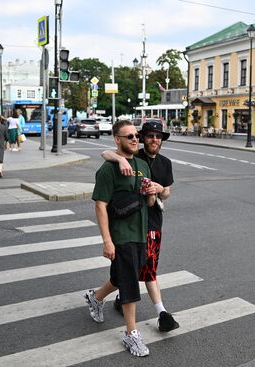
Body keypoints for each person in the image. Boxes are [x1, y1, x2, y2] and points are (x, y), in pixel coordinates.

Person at [84, 120, 156, 358]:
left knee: (123, 275)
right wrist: (107, 240)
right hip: (122, 236)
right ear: (117, 139)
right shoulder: (108, 169)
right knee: (129, 283)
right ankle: (131, 334)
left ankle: (95, 298)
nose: (136, 139)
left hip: (140, 233)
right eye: (129, 136)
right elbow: (100, 206)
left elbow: (150, 204)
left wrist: (151, 194)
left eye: (137, 135)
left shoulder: (144, 165)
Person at [101, 120, 179, 333]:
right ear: (143, 137)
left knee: (141, 269)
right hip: (130, 223)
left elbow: (168, 193)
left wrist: (160, 188)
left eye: (158, 136)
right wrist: (120, 159)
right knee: (129, 272)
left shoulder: (165, 163)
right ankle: (160, 312)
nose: (155, 140)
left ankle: (105, 297)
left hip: (153, 223)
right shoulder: (135, 154)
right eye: (150, 136)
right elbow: (106, 153)